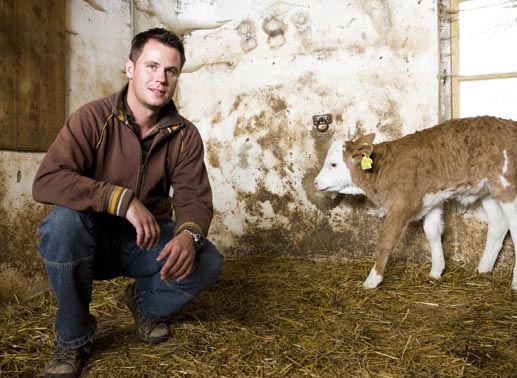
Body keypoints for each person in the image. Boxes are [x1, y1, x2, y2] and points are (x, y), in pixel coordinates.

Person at [32, 28, 223, 378]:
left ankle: (144, 302)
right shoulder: (91, 118)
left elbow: (194, 198)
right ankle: (73, 340)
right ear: (130, 68)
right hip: (90, 239)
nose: (161, 79)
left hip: (144, 242)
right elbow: (47, 180)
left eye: (171, 71)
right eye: (151, 66)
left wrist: (187, 235)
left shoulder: (185, 135)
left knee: (207, 259)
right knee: (61, 224)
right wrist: (121, 200)